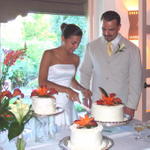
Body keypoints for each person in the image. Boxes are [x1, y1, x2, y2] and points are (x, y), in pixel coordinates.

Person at [79, 11, 142, 118]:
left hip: (121, 103)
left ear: (119, 27)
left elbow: (136, 79)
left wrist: (131, 106)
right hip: (97, 103)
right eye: (104, 29)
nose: (106, 33)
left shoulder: (132, 49)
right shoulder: (91, 47)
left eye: (111, 29)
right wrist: (85, 95)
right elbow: (85, 72)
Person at [38, 23, 91, 128]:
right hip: (51, 103)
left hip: (68, 102)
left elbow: (71, 80)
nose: (76, 46)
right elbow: (42, 82)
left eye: (78, 43)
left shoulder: (76, 58)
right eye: (73, 43)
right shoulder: (49, 54)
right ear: (63, 38)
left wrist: (82, 89)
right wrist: (67, 90)